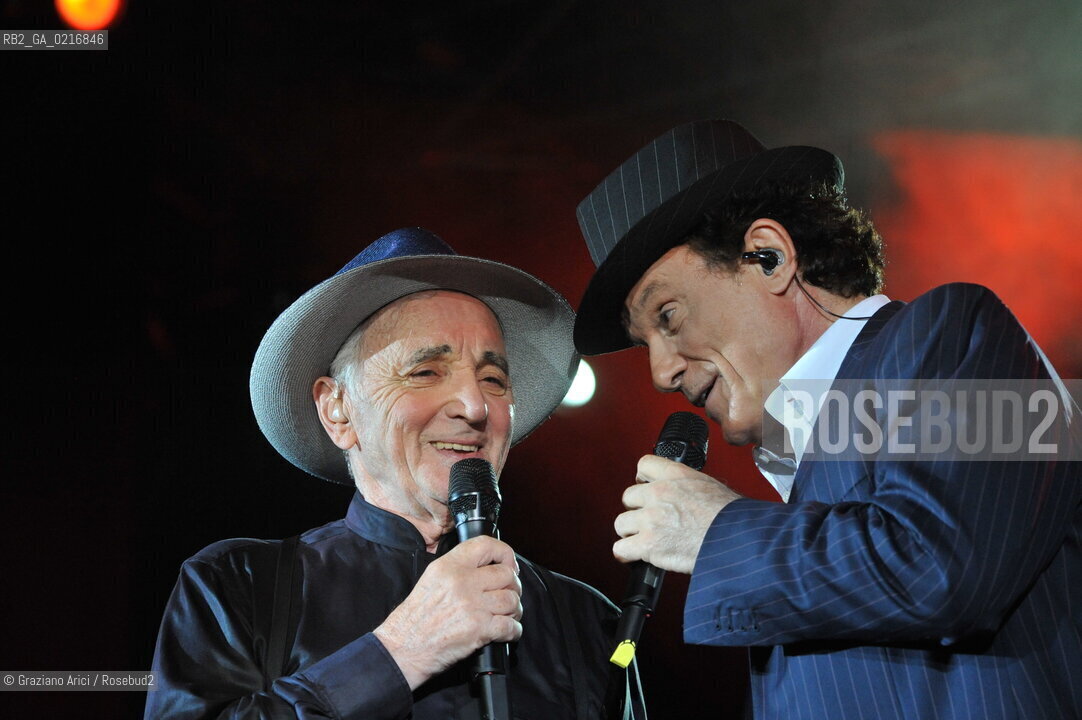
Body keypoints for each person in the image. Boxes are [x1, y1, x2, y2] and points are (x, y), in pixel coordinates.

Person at [572, 119, 1081, 718]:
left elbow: (944, 567)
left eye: (669, 314)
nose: (660, 372)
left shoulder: (961, 328)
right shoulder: (800, 493)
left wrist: (716, 531)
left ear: (769, 257)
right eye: (644, 342)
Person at [146, 227, 644, 719]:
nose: (474, 406)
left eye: (493, 379)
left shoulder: (585, 619)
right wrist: (402, 651)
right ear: (337, 410)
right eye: (425, 372)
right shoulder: (238, 587)